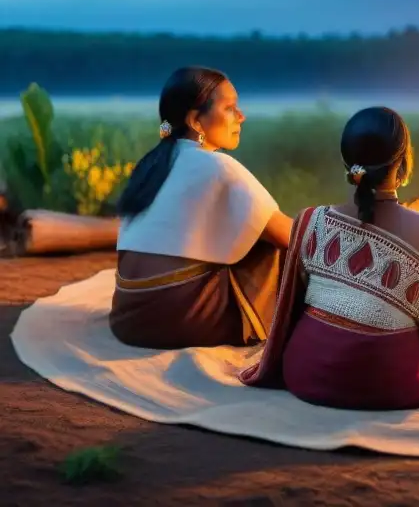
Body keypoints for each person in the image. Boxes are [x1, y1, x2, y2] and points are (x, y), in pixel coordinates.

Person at [240, 107, 419, 410]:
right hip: (392, 385)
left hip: (307, 374)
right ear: (403, 161)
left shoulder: (310, 221)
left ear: (348, 164)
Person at [110, 67, 292, 349]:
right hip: (178, 322)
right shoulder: (218, 167)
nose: (241, 116)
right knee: (271, 245)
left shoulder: (150, 165)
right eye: (230, 108)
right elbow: (292, 238)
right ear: (196, 120)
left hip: (128, 319)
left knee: (249, 227)